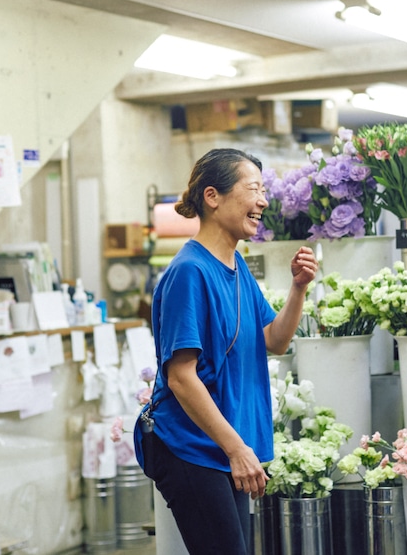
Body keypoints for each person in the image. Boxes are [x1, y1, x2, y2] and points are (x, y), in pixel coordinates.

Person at [134, 148, 317, 555]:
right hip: (192, 447)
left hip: (222, 446)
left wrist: (298, 288)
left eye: (263, 190)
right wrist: (236, 449)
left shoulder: (235, 266)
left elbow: (274, 339)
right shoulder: (189, 272)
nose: (263, 201)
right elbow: (182, 376)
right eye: (253, 189)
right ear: (212, 197)